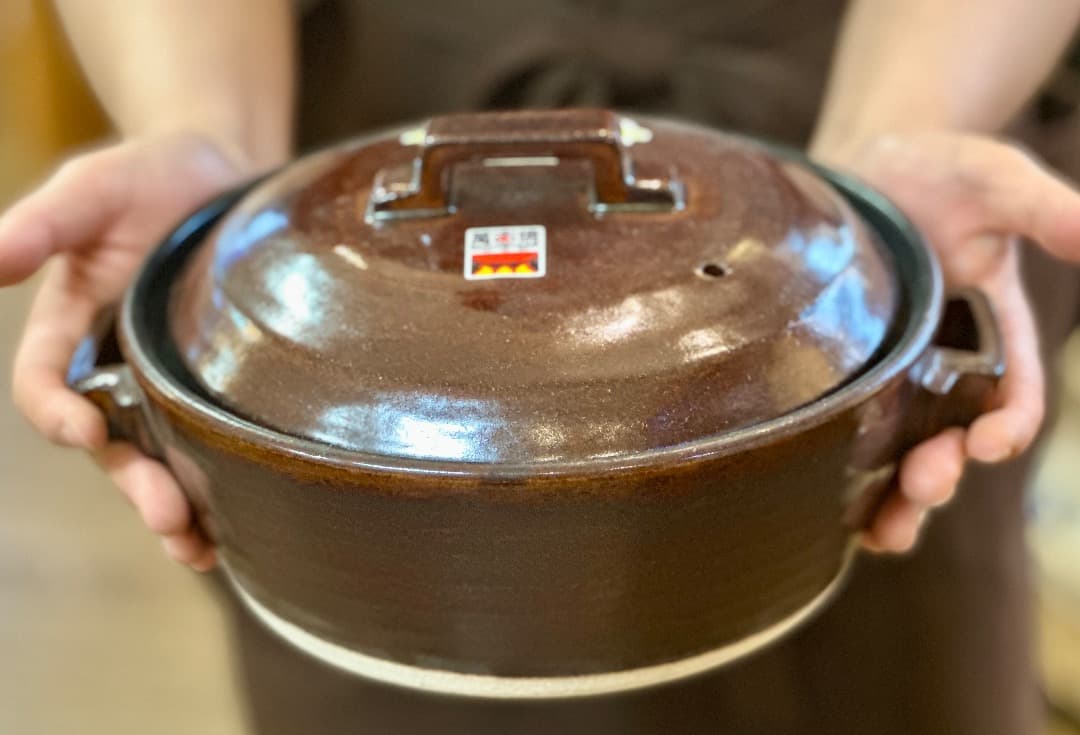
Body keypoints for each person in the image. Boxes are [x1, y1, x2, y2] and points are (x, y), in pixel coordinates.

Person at [2, 0, 1080, 732]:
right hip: (355, 110)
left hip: (878, 72)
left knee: (890, 678)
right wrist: (207, 136)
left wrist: (903, 130)